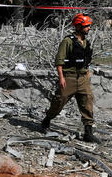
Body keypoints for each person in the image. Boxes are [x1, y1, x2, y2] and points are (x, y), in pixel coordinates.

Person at [40, 13, 101, 143]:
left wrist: (87, 73)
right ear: (78, 26)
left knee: (87, 103)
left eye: (89, 26)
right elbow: (59, 61)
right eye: (86, 26)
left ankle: (88, 132)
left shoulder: (86, 42)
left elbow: (87, 60)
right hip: (69, 77)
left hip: (83, 78)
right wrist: (61, 77)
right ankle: (46, 121)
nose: (89, 28)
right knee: (59, 101)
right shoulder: (67, 41)